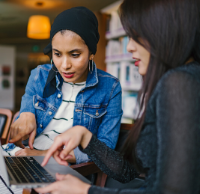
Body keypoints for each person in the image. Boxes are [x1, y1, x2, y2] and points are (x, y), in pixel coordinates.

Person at [35, 0, 200, 193]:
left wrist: (85, 191)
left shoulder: (179, 83)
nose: (129, 47)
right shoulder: (186, 78)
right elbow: (128, 173)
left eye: (136, 36)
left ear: (165, 30)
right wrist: (86, 138)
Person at [7, 6, 122, 164]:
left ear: (91, 53)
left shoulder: (111, 88)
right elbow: (27, 105)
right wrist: (26, 114)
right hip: (24, 155)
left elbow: (105, 150)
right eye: (57, 54)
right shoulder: (39, 74)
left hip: (62, 167)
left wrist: (42, 154)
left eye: (75, 55)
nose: (64, 65)